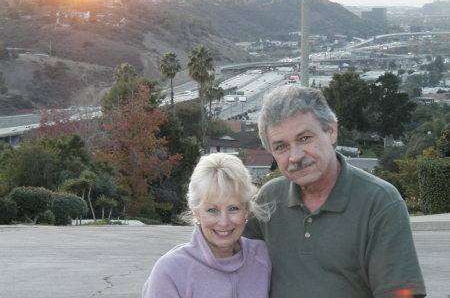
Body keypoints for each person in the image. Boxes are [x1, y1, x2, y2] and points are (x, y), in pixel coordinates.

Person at [244, 84, 426, 298]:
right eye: (281, 147)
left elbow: (400, 294)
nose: (295, 156)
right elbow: (228, 261)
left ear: (331, 131)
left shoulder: (380, 202)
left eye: (304, 138)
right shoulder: (269, 199)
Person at [142, 153, 272, 298]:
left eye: (233, 208)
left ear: (246, 210)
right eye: (213, 210)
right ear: (197, 213)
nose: (224, 222)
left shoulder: (262, 257)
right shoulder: (170, 270)